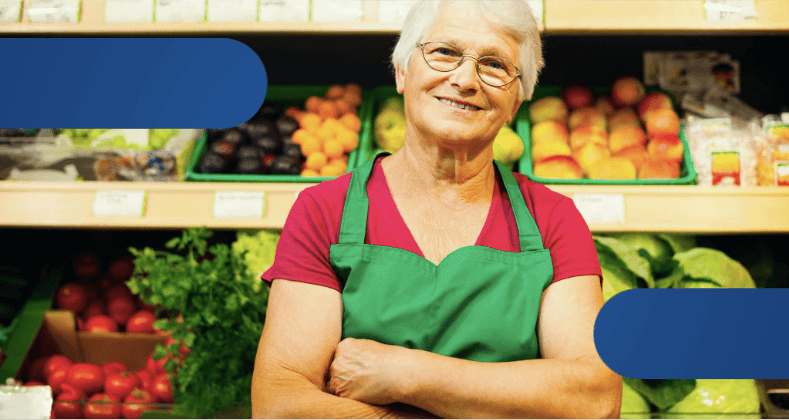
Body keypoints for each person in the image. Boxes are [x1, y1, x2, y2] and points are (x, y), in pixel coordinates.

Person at [251, 0, 623, 417]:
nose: (465, 79)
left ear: (516, 102)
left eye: (495, 65)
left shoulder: (552, 218)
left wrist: (405, 374)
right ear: (402, 71)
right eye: (444, 52)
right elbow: (280, 404)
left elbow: (594, 399)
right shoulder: (325, 211)